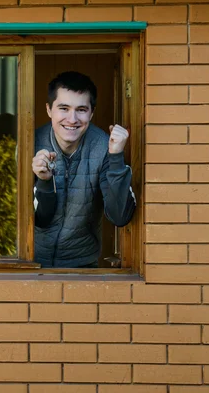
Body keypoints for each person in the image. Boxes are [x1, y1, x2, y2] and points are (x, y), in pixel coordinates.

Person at [32, 71, 136, 268]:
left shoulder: (105, 147)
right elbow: (41, 220)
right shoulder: (31, 143)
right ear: (48, 110)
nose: (72, 119)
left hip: (82, 264)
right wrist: (44, 181)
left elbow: (119, 217)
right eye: (63, 108)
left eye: (81, 109)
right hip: (32, 262)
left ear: (92, 112)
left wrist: (115, 157)